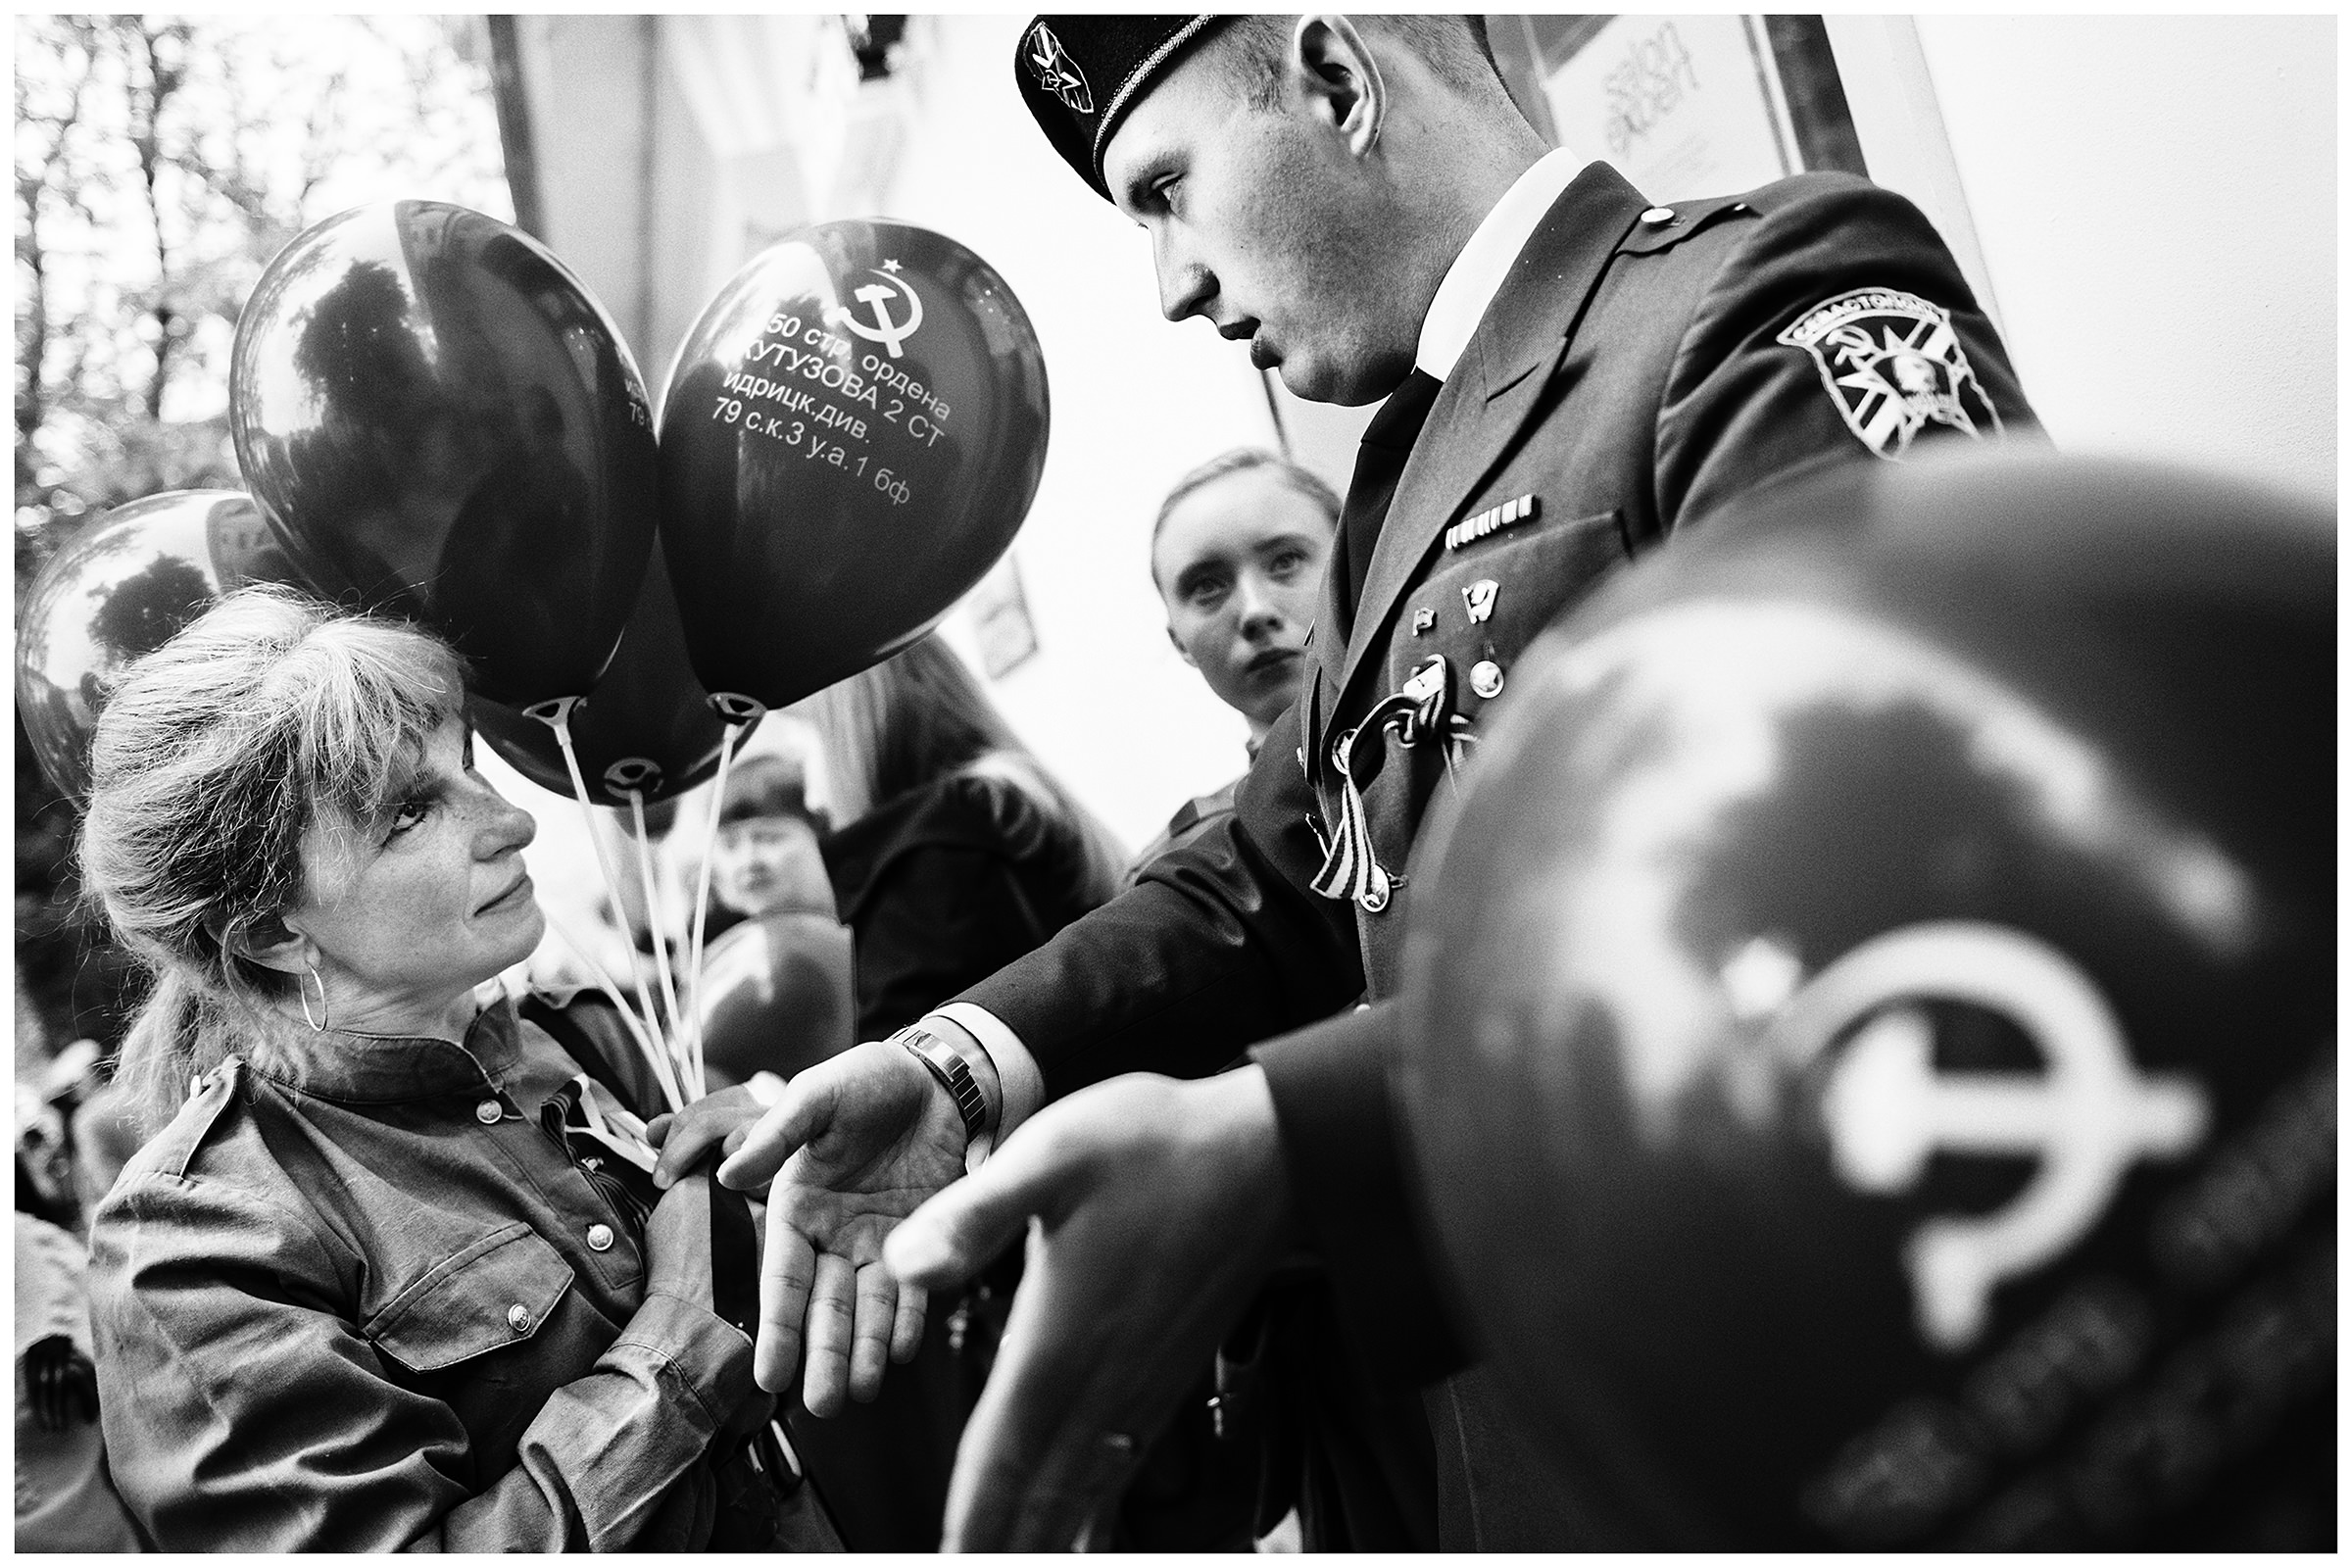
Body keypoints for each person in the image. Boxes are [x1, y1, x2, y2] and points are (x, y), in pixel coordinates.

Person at [679, 12, 2037, 1551]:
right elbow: (1263, 877)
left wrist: (1283, 1149)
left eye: (1167, 189)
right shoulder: (1392, 480)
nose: (1174, 282)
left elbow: (1892, 885)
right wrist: (952, 1063)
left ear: (1334, 76)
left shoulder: (1753, 303)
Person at [74, 585, 803, 1551]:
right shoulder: (197, 1244)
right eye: (411, 811)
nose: (511, 821)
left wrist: (763, 1172)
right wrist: (678, 1334)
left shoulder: (575, 1036)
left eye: (467, 765)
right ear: (272, 931)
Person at [723, 631, 1125, 1550]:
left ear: (851, 723)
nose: (810, 784)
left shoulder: (931, 843)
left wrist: (783, 1101)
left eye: (807, 739)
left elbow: (911, 1065)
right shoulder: (1007, 797)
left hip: (1041, 1251)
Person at [1125, 448, 1339, 887]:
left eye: (1285, 561)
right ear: (1179, 642)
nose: (1255, 612)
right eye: (1207, 586)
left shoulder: (1471, 749)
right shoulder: (1179, 871)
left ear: (1356, 568)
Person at [694, 753, 857, 1092]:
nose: (748, 860)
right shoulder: (729, 953)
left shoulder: (863, 929)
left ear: (821, 834)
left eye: (769, 837)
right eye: (730, 844)